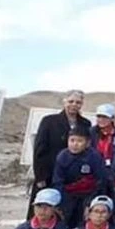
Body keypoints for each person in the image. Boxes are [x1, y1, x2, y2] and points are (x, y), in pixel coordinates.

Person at [30, 90, 92, 220]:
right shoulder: (49, 121)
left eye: (78, 102)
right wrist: (40, 176)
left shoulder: (86, 124)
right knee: (43, 211)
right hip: (49, 173)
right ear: (64, 102)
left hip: (73, 177)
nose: (74, 105)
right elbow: (39, 149)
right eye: (71, 101)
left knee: (67, 213)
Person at [52, 125, 110, 229]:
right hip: (68, 195)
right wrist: (62, 201)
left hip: (87, 196)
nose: (75, 144)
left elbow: (100, 182)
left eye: (79, 141)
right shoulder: (62, 156)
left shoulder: (94, 157)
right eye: (72, 140)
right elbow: (58, 181)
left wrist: (90, 203)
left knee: (84, 222)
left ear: (87, 143)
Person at [90, 103, 115, 171]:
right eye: (99, 117)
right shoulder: (91, 132)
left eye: (105, 117)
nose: (101, 120)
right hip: (94, 170)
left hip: (113, 170)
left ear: (112, 119)